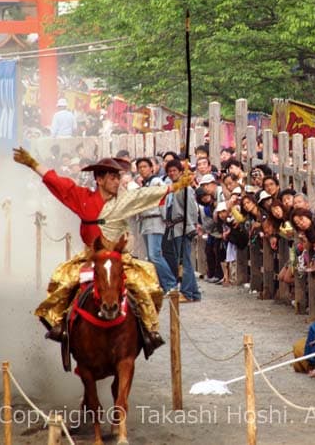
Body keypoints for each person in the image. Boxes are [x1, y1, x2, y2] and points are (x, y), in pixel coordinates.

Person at [13, 147, 192, 355]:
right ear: (99, 179)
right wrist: (33, 164)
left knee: (146, 287)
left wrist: (177, 186)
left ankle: (149, 332)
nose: (118, 181)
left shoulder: (124, 200)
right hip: (91, 258)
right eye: (113, 177)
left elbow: (146, 195)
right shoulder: (82, 198)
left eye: (118, 177)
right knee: (64, 283)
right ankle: (61, 326)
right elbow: (59, 183)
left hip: (119, 259)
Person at [162, 159, 202, 302]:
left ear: (180, 171)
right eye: (170, 171)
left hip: (183, 227)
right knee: (184, 259)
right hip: (175, 228)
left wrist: (191, 226)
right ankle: (194, 292)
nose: (172, 173)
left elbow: (191, 209)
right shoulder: (174, 187)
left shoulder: (185, 188)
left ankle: (186, 292)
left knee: (184, 261)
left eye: (174, 170)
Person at [135, 158, 177, 294]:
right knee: (151, 256)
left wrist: (165, 218)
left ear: (151, 168)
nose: (142, 169)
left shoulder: (156, 182)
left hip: (155, 219)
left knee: (155, 255)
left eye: (145, 166)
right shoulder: (144, 185)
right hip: (145, 221)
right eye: (140, 167)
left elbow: (164, 200)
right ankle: (163, 285)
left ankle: (171, 283)